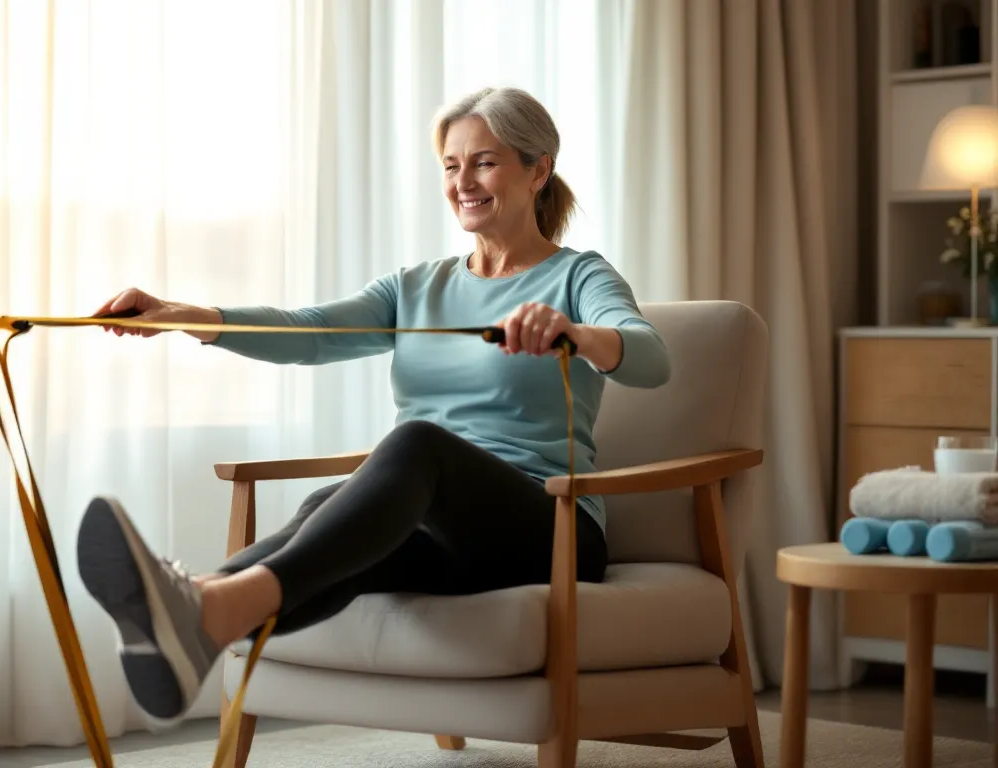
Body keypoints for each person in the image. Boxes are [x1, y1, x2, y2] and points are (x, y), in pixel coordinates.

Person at [74, 86, 671, 727]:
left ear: (538, 170)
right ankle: (201, 610)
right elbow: (307, 332)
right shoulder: (416, 286)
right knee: (329, 515)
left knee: (416, 444)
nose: (463, 181)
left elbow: (651, 357)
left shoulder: (578, 277)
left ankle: (196, 607)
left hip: (551, 529)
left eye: (485, 162)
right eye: (450, 165)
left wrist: (578, 335)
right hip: (445, 534)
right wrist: (172, 315)